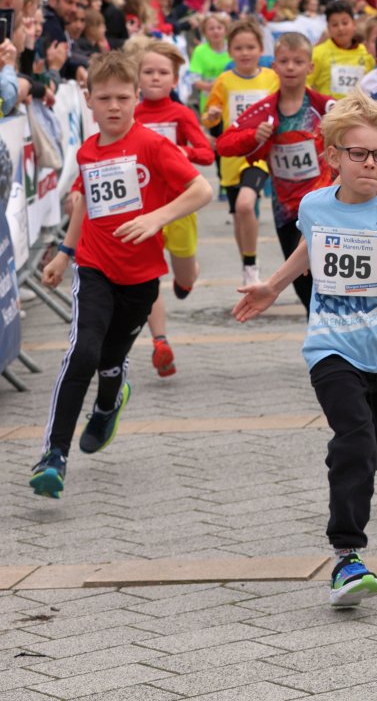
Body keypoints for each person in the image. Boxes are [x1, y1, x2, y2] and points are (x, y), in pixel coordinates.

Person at [233, 93, 377, 607]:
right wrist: (273, 286)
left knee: (376, 448)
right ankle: (347, 556)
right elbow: (311, 244)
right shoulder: (314, 205)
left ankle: (353, 460)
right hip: (330, 346)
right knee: (354, 440)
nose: (371, 163)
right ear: (333, 155)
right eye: (359, 153)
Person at [31, 51, 214, 498]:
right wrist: (65, 254)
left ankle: (109, 403)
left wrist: (157, 218)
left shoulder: (152, 145)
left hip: (141, 277)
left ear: (136, 97)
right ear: (88, 101)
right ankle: (53, 456)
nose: (113, 107)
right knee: (83, 353)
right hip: (95, 267)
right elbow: (82, 205)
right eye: (104, 98)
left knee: (110, 361)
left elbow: (202, 189)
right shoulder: (87, 151)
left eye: (122, 98)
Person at [217, 31, 335, 313]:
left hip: (323, 209)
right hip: (286, 213)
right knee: (304, 291)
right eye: (284, 61)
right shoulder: (265, 110)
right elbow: (223, 144)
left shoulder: (324, 107)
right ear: (274, 67)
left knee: (326, 285)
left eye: (298, 61)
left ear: (310, 67)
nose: (291, 67)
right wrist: (254, 137)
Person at [127, 38, 215, 378]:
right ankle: (160, 341)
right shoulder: (130, 113)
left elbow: (206, 154)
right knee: (150, 276)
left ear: (175, 80)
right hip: (141, 208)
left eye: (163, 73)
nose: (155, 77)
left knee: (183, 274)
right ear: (137, 77)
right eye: (148, 71)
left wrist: (183, 152)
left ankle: (188, 277)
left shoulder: (180, 113)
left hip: (179, 206)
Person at [203, 18, 280, 286]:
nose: (245, 53)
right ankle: (248, 265)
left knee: (246, 204)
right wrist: (212, 116)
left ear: (261, 49)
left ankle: (251, 264)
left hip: (259, 154)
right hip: (232, 154)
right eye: (238, 48)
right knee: (238, 213)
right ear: (230, 51)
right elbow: (209, 118)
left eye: (250, 47)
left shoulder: (272, 78)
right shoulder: (224, 81)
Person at [310, 0, 375, 99]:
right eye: (335, 25)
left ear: (354, 24)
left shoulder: (368, 53)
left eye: (345, 23)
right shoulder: (317, 53)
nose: (340, 28)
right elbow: (305, 85)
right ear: (328, 28)